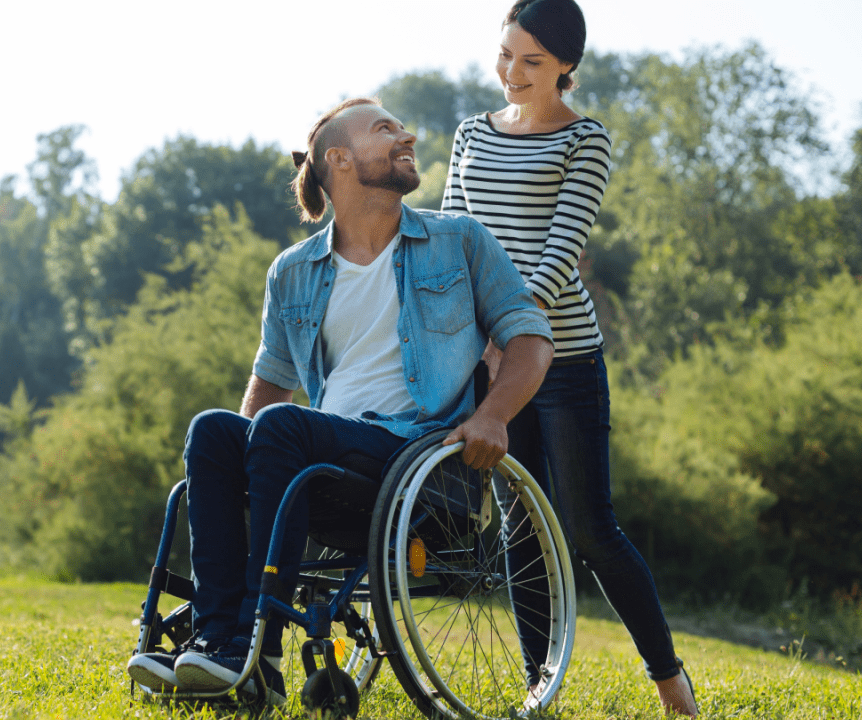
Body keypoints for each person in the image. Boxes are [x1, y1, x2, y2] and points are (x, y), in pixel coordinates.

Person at [126, 97, 554, 705]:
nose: (406, 135)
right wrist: (238, 473)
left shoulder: (459, 241)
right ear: (341, 160)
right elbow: (269, 384)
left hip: (417, 456)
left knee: (281, 428)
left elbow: (533, 341)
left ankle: (259, 648)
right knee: (214, 430)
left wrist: (493, 416)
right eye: (385, 130)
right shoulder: (293, 271)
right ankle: (217, 642)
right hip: (317, 454)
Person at [440, 0, 698, 715]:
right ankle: (538, 684)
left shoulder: (586, 141)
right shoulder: (469, 134)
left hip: (565, 359)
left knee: (589, 530)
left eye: (532, 61)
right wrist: (468, 336)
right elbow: (452, 236)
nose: (512, 73)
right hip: (489, 358)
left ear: (565, 68)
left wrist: (507, 331)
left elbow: (559, 257)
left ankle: (669, 680)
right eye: (505, 55)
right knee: (518, 525)